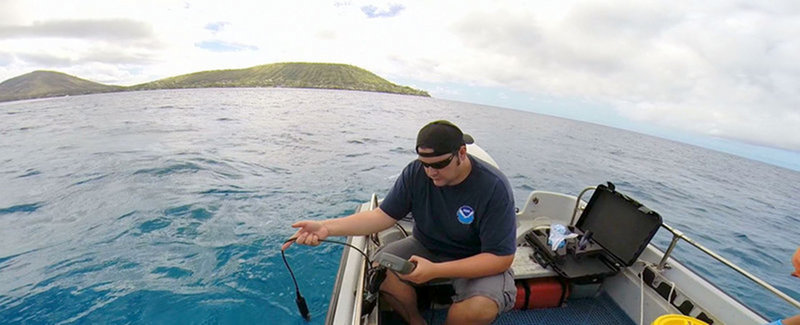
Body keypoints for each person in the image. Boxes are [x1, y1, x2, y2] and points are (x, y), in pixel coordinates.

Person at [283, 120, 517, 325]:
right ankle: (416, 321)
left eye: (439, 164)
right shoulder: (416, 173)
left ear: (462, 153)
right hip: (427, 245)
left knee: (477, 309)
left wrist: (435, 271)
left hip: (475, 257)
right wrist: (326, 228)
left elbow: (501, 258)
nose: (430, 172)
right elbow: (381, 216)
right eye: (425, 164)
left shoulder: (494, 187)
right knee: (379, 270)